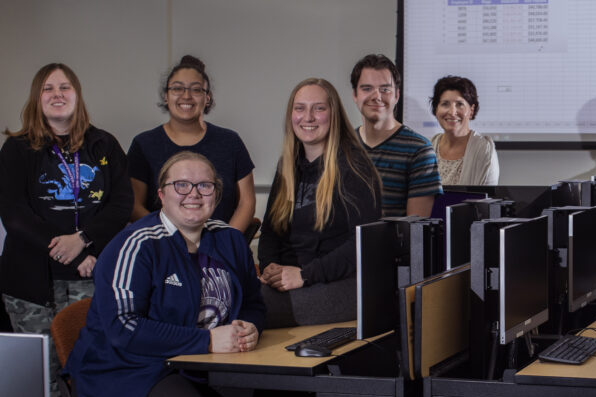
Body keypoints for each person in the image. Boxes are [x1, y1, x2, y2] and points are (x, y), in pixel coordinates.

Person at [65, 151, 265, 397]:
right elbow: (122, 326)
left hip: (203, 363)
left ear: (216, 194)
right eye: (181, 185)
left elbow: (254, 303)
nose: (193, 194)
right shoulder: (135, 245)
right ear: (161, 195)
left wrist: (250, 328)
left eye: (205, 185)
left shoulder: (231, 240)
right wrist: (209, 340)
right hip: (128, 368)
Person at [0, 63, 132, 397]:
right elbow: (14, 215)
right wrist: (73, 249)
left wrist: (85, 240)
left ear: (77, 95)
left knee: (90, 369)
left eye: (65, 87)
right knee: (41, 380)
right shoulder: (16, 149)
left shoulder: (104, 145)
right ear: (36, 98)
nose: (57, 94)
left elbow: (121, 206)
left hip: (92, 275)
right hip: (31, 283)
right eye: (48, 88)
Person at [258, 78, 382, 327]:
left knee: (249, 307)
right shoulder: (288, 166)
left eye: (319, 108)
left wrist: (304, 275)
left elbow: (360, 244)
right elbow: (272, 231)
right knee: (226, 294)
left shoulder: (355, 168)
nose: (308, 117)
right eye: (300, 108)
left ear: (333, 115)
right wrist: (270, 266)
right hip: (294, 279)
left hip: (339, 285)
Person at [127, 55, 256, 231]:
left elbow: (246, 203)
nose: (186, 96)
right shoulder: (143, 144)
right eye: (177, 88)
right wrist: (170, 239)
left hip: (219, 249)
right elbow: (134, 205)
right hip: (163, 248)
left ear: (207, 97)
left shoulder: (230, 142)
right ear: (166, 96)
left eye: (196, 90)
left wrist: (227, 243)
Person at [350, 54, 442, 217]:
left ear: (396, 96)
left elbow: (415, 231)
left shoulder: (419, 150)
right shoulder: (341, 144)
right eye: (367, 88)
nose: (376, 96)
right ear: (355, 95)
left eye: (385, 89)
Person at [428, 76, 499, 185]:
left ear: (471, 110)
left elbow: (484, 199)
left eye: (459, 104)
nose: (452, 112)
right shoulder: (428, 147)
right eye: (445, 104)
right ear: (436, 109)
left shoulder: (484, 149)